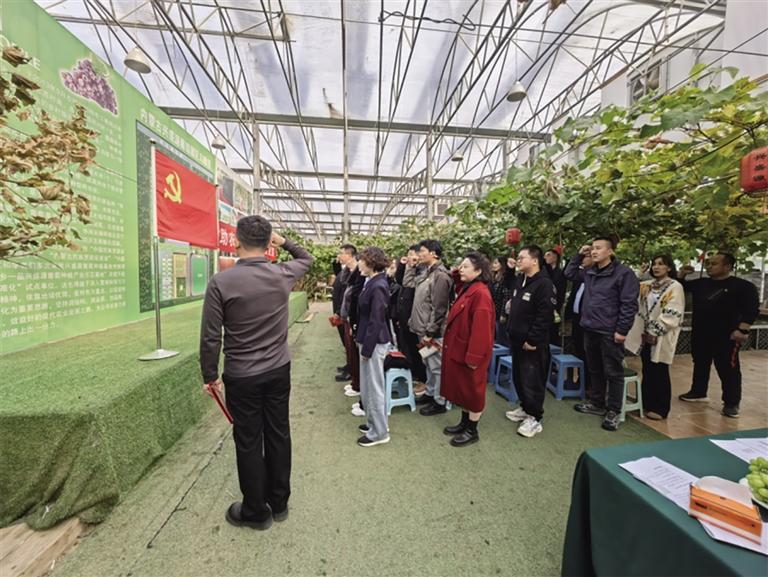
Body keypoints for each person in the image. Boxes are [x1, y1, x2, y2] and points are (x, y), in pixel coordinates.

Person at [199, 216, 312, 530]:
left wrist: (209, 375)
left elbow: (211, 337)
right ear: (269, 243)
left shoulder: (221, 282)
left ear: (236, 241)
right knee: (279, 433)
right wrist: (284, 241)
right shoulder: (282, 273)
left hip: (242, 375)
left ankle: (256, 511)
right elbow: (306, 258)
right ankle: (279, 503)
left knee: (248, 440)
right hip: (278, 370)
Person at [565, 237, 639, 431]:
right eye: (592, 248)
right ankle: (597, 402)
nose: (594, 251)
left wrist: (622, 330)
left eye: (598, 248)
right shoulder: (590, 272)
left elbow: (629, 304)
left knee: (613, 372)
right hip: (590, 328)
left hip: (610, 331)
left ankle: (613, 410)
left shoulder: (623, 274)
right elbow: (569, 273)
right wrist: (579, 254)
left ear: (610, 251)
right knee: (594, 368)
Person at [677, 252, 759, 418]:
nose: (709, 266)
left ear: (727, 267)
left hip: (727, 335)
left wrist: (743, 330)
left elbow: (751, 309)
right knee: (700, 362)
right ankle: (698, 391)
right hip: (701, 332)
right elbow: (680, 287)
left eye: (714, 264)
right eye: (708, 263)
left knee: (728, 368)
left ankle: (731, 402)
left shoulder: (742, 286)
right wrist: (681, 274)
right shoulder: (701, 283)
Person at [440, 252, 495, 447]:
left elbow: (482, 331)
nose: (460, 269)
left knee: (473, 392)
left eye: (465, 266)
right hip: (460, 349)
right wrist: (459, 270)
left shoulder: (481, 294)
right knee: (463, 390)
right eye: (460, 266)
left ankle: (472, 430)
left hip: (471, 353)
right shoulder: (469, 288)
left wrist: (474, 357)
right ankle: (464, 423)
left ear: (478, 271)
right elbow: (456, 279)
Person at [504, 245, 555, 438]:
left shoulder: (544, 284)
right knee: (519, 377)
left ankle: (535, 417)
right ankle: (525, 408)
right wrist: (510, 270)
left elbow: (545, 316)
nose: (518, 260)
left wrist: (533, 339)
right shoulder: (521, 280)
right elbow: (509, 287)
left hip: (532, 343)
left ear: (534, 261)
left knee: (532, 379)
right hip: (516, 339)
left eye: (521, 257)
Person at [625, 255, 685, 420]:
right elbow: (630, 288)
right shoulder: (647, 285)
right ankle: (646, 403)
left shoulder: (675, 287)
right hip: (645, 334)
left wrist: (655, 331)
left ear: (669, 268)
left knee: (660, 369)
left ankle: (660, 408)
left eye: (661, 264)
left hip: (662, 335)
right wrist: (639, 274)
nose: (656, 267)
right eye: (654, 264)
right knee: (647, 368)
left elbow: (673, 312)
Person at [404, 239, 454, 415]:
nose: (419, 254)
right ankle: (430, 392)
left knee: (436, 367)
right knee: (428, 363)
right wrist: (410, 266)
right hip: (422, 328)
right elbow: (408, 283)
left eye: (422, 251)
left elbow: (439, 308)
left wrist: (430, 332)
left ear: (433, 253)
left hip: (432, 332)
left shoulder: (440, 276)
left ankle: (439, 401)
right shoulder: (427, 272)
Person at [355, 247, 393, 447]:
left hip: (374, 342)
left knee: (374, 388)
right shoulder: (372, 281)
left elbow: (376, 319)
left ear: (370, 262)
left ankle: (379, 432)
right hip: (369, 339)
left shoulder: (378, 285)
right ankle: (373, 424)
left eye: (361, 260)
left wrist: (367, 349)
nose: (359, 263)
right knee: (368, 386)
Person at [394, 246, 428, 389]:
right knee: (407, 348)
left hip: (416, 318)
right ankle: (414, 374)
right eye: (409, 254)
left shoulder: (423, 271)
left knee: (418, 351)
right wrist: (404, 265)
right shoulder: (409, 268)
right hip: (404, 317)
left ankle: (422, 378)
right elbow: (401, 280)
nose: (411, 257)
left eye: (413, 254)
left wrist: (413, 266)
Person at [563, 250, 592, 395]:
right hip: (576, 319)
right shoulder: (582, 275)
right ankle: (579, 381)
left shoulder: (594, 277)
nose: (583, 259)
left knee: (588, 354)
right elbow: (568, 272)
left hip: (588, 321)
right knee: (578, 351)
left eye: (586, 257)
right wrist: (579, 254)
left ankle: (589, 385)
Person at [332, 244, 357, 380]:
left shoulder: (354, 272)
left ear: (349, 255)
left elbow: (346, 295)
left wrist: (338, 311)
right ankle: (349, 366)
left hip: (345, 313)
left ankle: (351, 370)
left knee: (350, 344)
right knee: (346, 342)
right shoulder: (346, 270)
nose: (339, 256)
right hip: (341, 311)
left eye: (341, 253)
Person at [489, 257, 515, 345]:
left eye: (496, 263)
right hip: (494, 310)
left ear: (502, 264)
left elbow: (506, 296)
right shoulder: (493, 278)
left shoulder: (505, 278)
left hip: (501, 311)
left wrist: (503, 314)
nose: (494, 265)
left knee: (502, 336)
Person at [544, 248, 567, 345]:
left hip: (555, 306)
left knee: (552, 333)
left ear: (555, 257)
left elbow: (560, 293)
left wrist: (556, 307)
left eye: (548, 255)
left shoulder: (560, 273)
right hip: (545, 305)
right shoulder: (545, 272)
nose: (545, 257)